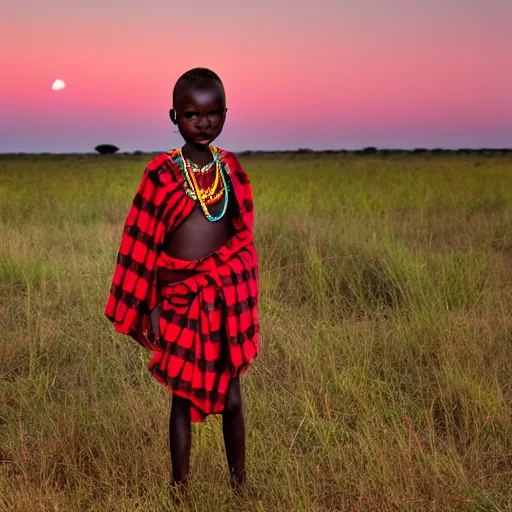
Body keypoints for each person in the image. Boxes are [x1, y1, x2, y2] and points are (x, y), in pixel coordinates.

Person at [104, 68, 259, 492]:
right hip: (178, 301)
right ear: (174, 117)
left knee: (232, 399)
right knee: (181, 395)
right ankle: (180, 488)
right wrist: (151, 306)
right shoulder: (162, 174)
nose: (203, 123)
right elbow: (144, 246)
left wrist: (231, 281)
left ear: (226, 113)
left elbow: (242, 237)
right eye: (192, 115)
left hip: (224, 302)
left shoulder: (231, 171)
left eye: (213, 114)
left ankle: (239, 485)